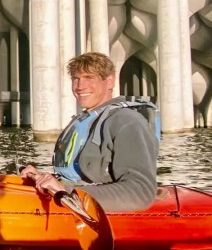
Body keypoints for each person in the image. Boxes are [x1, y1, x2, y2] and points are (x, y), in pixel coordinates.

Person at [20, 52, 159, 212]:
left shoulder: (127, 121)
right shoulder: (87, 118)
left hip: (97, 212)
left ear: (109, 81)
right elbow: (79, 178)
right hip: (72, 198)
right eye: (75, 78)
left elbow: (140, 192)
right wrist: (43, 178)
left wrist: (68, 192)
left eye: (88, 77)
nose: (80, 86)